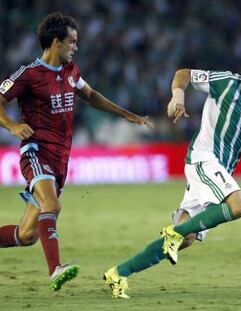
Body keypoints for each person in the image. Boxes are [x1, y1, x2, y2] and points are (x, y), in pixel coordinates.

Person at [103, 53, 241, 299]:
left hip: (222, 168)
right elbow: (183, 74)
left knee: (186, 238)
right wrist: (178, 97)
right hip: (203, 158)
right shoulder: (227, 82)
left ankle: (118, 273)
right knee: (239, 207)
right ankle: (173, 233)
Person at [0, 12, 152, 291]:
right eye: (72, 42)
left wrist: (126, 114)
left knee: (27, 235)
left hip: (61, 160)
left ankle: (46, 256)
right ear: (56, 42)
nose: (76, 47)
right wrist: (11, 125)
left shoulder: (71, 71)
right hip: (36, 152)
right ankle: (55, 270)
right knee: (52, 206)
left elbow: (91, 95)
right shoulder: (29, 74)